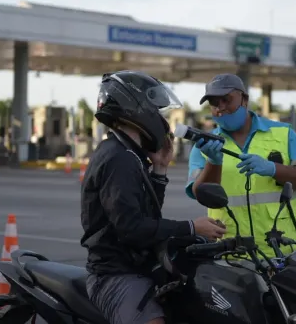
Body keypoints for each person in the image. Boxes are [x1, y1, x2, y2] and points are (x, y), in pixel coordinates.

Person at [80, 70, 227, 324]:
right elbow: (132, 228)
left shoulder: (129, 154)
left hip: (137, 267)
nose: (161, 119)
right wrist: (192, 227)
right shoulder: (119, 159)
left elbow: (147, 216)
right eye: (156, 110)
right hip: (114, 275)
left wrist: (159, 170)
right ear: (136, 108)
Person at [185, 73, 296, 257]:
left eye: (226, 99)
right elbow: (201, 195)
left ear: (244, 100)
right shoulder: (203, 147)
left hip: (285, 252)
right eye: (215, 103)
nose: (220, 108)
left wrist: (273, 169)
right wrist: (213, 162)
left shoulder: (283, 134)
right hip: (231, 255)